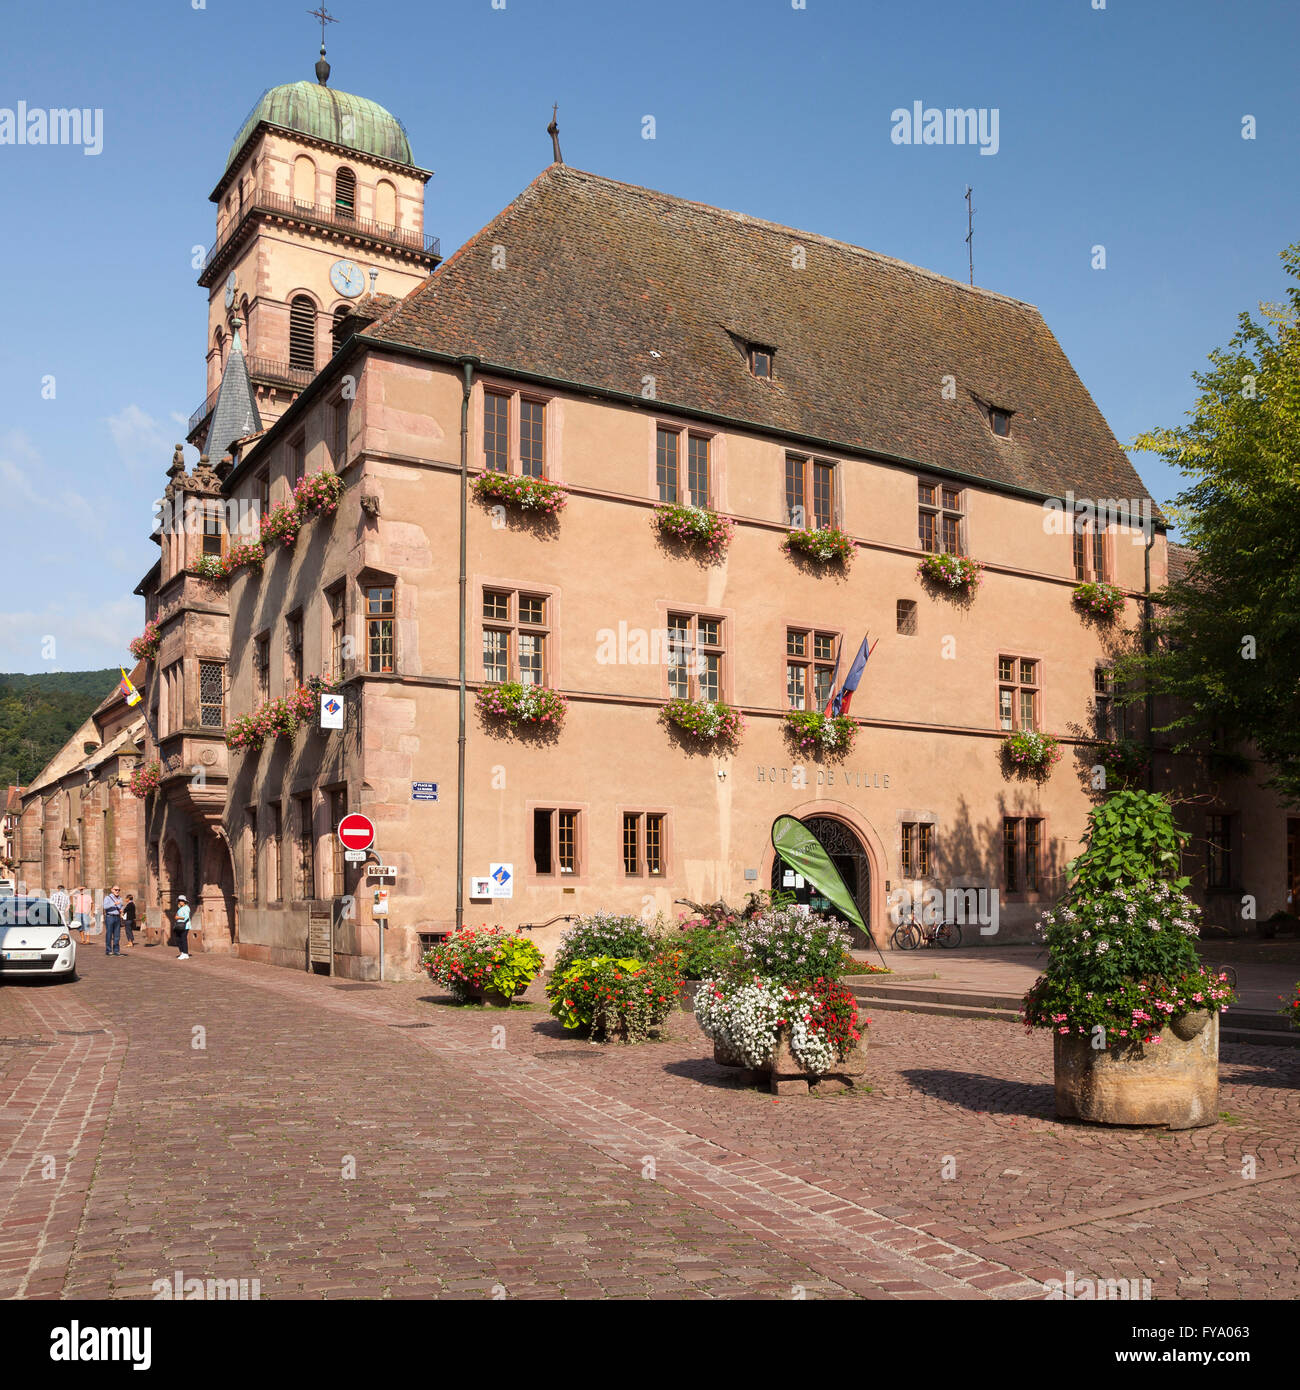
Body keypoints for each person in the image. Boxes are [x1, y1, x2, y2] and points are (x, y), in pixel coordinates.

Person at [102, 884, 123, 956]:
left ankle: (116, 951)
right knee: (109, 934)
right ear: (112, 890)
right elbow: (105, 906)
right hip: (110, 917)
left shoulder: (120, 898)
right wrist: (114, 903)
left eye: (118, 890)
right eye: (116, 890)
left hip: (117, 917)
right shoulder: (107, 898)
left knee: (117, 935)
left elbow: (121, 906)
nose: (117, 891)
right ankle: (108, 950)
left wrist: (121, 910)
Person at [174, 895, 191, 959]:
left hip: (185, 925)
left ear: (184, 901)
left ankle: (185, 953)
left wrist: (178, 917)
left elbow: (186, 917)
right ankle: (182, 952)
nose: (180, 902)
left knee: (183, 939)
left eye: (182, 901)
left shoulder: (186, 908)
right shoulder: (181, 908)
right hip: (179, 925)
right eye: (179, 901)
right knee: (178, 938)